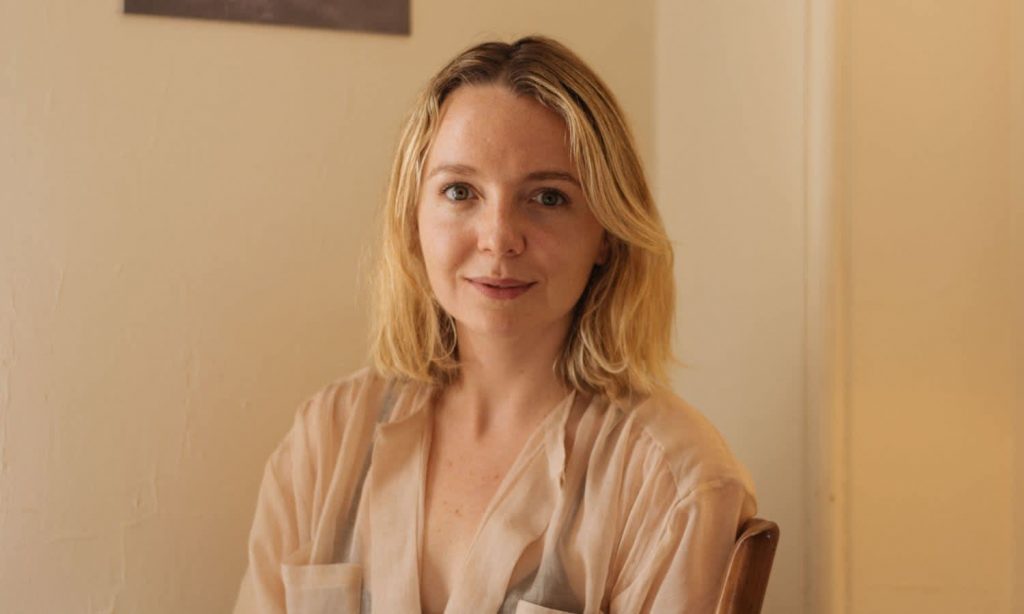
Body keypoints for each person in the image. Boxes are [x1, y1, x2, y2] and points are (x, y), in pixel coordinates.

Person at [232, 35, 757, 614]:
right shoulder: (326, 440)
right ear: (413, 220)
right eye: (460, 191)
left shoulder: (675, 481)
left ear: (608, 233)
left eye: (548, 198)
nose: (499, 238)